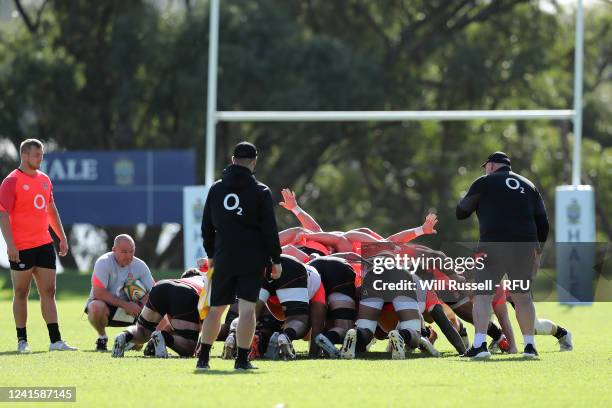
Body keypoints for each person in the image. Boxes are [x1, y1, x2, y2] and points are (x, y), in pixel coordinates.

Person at [196, 141, 282, 371]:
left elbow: (206, 226)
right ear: (254, 163)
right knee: (246, 310)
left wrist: (212, 254)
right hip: (252, 258)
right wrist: (276, 259)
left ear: (233, 160)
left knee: (216, 309)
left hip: (224, 256)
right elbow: (269, 231)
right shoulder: (261, 191)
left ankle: (203, 359)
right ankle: (242, 361)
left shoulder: (216, 188)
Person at [456, 151, 549, 359]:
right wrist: (538, 250)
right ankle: (530, 347)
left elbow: (461, 212)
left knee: (482, 296)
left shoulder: (483, 182)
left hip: (492, 245)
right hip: (525, 246)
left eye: (486, 166)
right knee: (523, 297)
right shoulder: (528, 185)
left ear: (490, 165)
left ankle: (480, 346)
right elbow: (543, 222)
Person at [0, 139, 76, 352]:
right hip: (21, 246)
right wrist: (10, 245)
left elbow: (51, 209)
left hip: (44, 244)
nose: (40, 159)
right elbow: (3, 213)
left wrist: (61, 236)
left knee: (49, 291)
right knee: (22, 292)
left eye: (41, 155)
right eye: (36, 155)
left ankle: (56, 341)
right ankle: (22, 340)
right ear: (24, 156)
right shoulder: (11, 181)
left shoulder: (44, 180)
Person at [112, 268, 206, 358]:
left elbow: (171, 325)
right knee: (189, 348)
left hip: (162, 285)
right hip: (187, 292)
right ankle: (163, 337)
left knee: (143, 331)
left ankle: (124, 336)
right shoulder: (205, 281)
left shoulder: (181, 281)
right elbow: (211, 320)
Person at [85, 234, 155, 351]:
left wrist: (142, 301)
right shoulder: (103, 262)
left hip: (133, 309)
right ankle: (102, 338)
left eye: (131, 251)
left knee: (153, 305)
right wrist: (126, 305)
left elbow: (154, 291)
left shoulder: (140, 266)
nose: (129, 256)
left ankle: (137, 338)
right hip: (108, 308)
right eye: (124, 252)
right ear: (114, 250)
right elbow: (98, 293)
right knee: (95, 307)